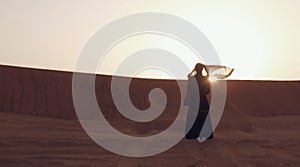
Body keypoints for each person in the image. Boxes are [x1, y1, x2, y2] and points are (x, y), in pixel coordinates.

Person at [184, 63, 214, 142]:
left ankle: (193, 134)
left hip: (194, 100)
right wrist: (207, 73)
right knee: (203, 117)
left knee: (193, 117)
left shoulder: (192, 78)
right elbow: (207, 91)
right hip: (203, 100)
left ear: (196, 69)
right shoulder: (205, 79)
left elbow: (189, 89)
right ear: (202, 70)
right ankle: (204, 134)